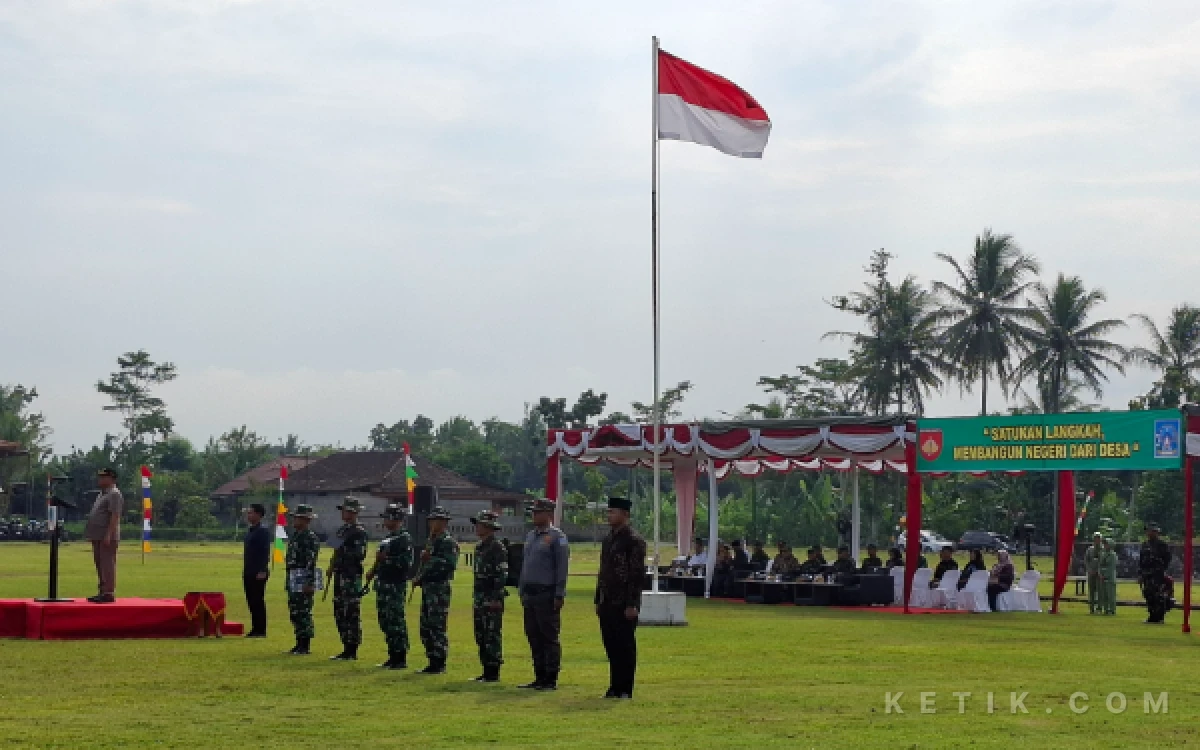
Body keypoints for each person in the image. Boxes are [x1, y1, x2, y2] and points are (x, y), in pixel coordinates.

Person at [595, 496, 647, 700]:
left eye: (613, 512)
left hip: (624, 602)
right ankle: (614, 686)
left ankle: (625, 687)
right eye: (608, 512)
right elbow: (603, 571)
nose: (609, 515)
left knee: (625, 645)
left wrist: (632, 603)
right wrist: (597, 598)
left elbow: (637, 575)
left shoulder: (634, 540)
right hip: (607, 599)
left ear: (625, 515)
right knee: (611, 645)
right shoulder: (609, 539)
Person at [518, 498, 569, 691]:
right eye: (533, 512)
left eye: (538, 512)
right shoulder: (531, 536)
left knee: (548, 636)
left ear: (549, 514)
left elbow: (562, 567)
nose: (534, 515)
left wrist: (559, 594)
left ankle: (550, 678)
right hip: (530, 593)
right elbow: (525, 565)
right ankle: (538, 676)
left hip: (546, 593)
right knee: (533, 635)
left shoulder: (557, 537)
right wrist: (522, 589)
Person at [363, 503, 412, 670]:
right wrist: (373, 570)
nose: (384, 521)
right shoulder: (388, 538)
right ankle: (392, 655)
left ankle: (400, 656)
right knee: (385, 620)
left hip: (395, 585)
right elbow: (380, 558)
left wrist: (386, 560)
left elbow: (406, 563)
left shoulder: (404, 538)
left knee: (395, 620)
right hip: (383, 584)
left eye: (387, 518)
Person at [416, 506, 459, 673]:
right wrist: (420, 576)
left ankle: (439, 661)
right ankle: (431, 659)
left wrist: (430, 559)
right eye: (432, 521)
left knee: (437, 625)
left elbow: (449, 564)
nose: (433, 524)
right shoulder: (431, 541)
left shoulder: (448, 542)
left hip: (439, 588)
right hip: (428, 587)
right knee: (426, 625)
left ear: (444, 523)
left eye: (437, 521)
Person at [470, 509, 508, 683]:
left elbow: (501, 575)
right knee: (481, 634)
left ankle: (493, 671)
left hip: (491, 596)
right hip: (479, 596)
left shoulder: (497, 547)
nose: (477, 527)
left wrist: (496, 598)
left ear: (488, 526)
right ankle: (485, 669)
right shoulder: (480, 547)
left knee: (492, 634)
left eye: (480, 524)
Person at [328, 497, 368, 661]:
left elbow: (359, 554)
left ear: (355, 513)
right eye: (343, 510)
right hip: (340, 574)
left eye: (348, 511)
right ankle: (345, 646)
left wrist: (343, 551)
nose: (344, 513)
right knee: (339, 610)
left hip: (351, 575)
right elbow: (334, 548)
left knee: (350, 611)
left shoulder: (359, 531)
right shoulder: (342, 530)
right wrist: (332, 565)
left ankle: (352, 648)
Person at [283, 503, 320, 656]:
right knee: (295, 611)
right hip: (293, 574)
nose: (294, 520)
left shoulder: (309, 538)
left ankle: (305, 645)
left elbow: (311, 562)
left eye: (298, 518)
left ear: (306, 520)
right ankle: (298, 642)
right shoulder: (296, 535)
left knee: (303, 611)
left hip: (303, 575)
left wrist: (310, 582)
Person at [85, 468, 123, 603]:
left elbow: (115, 515)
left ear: (111, 478)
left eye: (103, 477)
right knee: (99, 563)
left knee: (107, 563)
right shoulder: (102, 494)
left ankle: (108, 592)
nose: (100, 479)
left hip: (107, 535)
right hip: (98, 535)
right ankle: (102, 590)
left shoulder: (114, 494)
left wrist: (109, 534)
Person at [242, 503, 272, 638]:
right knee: (251, 600)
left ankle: (261, 629)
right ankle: (255, 628)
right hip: (249, 570)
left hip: (258, 571)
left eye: (251, 512)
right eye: (248, 513)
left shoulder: (263, 531)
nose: (249, 515)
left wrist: (262, 569)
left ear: (259, 515)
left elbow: (265, 551)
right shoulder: (251, 530)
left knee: (257, 600)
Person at [1139, 523, 1171, 624]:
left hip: (1157, 574)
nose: (1148, 533)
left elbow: (1167, 559)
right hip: (1146, 574)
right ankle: (1152, 616)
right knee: (1148, 594)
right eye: (1148, 531)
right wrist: (1140, 574)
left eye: (1150, 531)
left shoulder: (1162, 545)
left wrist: (1160, 569)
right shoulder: (1145, 545)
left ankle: (1159, 617)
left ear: (1155, 532)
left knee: (1158, 596)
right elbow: (1141, 561)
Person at [1085, 532, 1105, 614]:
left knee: (1100, 591)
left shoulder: (1104, 549)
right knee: (1091, 591)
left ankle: (1099, 608)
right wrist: (1089, 570)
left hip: (1100, 573)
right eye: (1096, 538)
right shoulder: (1090, 549)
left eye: (1098, 538)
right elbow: (1086, 560)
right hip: (1091, 573)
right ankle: (1091, 608)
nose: (1097, 539)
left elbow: (1104, 562)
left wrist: (1100, 571)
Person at [1101, 537, 1118, 616]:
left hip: (1110, 577)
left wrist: (1105, 575)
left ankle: (1112, 610)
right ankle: (1106, 609)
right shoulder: (1103, 553)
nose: (1105, 545)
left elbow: (1111, 567)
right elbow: (1100, 565)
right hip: (1103, 577)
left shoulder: (1113, 555)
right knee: (1104, 595)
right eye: (1104, 544)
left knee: (1111, 595)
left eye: (1106, 544)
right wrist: (1101, 574)